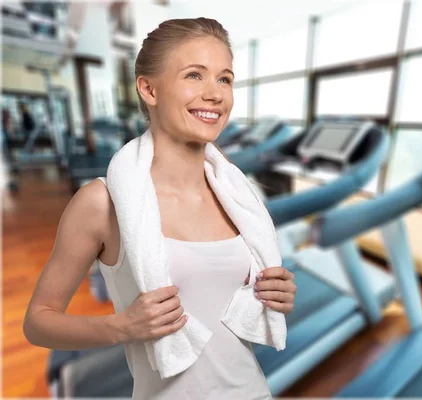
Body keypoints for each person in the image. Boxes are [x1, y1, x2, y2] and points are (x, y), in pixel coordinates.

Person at [23, 17, 297, 399]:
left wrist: (277, 294)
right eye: (194, 75)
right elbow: (37, 323)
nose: (215, 94)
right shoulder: (102, 203)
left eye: (225, 79)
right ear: (149, 89)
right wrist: (122, 327)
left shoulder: (238, 197)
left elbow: (237, 307)